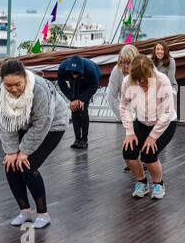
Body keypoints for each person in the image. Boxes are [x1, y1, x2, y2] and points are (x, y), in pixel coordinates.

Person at [0, 58, 69, 228]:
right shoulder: (0, 87)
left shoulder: (40, 88)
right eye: (8, 85)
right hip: (21, 122)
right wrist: (11, 151)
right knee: (10, 165)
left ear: (25, 78)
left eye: (17, 84)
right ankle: (25, 212)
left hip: (52, 125)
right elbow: (4, 120)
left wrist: (24, 151)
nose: (13, 89)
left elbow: (42, 123)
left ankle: (43, 214)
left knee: (26, 165)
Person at [120, 55, 177, 199]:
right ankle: (142, 181)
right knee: (128, 152)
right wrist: (129, 131)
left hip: (165, 123)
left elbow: (167, 111)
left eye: (145, 80)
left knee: (149, 155)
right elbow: (124, 106)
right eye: (139, 81)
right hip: (142, 122)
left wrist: (153, 137)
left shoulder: (162, 80)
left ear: (151, 72)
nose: (142, 84)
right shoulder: (127, 81)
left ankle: (159, 184)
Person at [106, 45, 144, 173]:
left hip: (144, 110)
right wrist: (123, 117)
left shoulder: (144, 70)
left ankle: (142, 161)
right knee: (131, 139)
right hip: (127, 110)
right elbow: (111, 97)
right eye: (123, 62)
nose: (125, 66)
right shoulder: (117, 72)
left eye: (129, 63)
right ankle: (133, 161)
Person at [58, 55, 101, 149]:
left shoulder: (90, 69)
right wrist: (72, 99)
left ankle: (84, 140)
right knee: (74, 107)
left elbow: (94, 86)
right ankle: (77, 139)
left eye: (76, 73)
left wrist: (82, 99)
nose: (74, 75)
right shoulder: (62, 67)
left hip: (87, 80)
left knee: (83, 107)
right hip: (73, 82)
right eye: (73, 73)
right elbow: (61, 84)